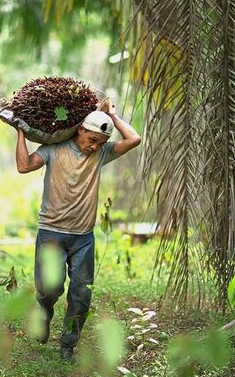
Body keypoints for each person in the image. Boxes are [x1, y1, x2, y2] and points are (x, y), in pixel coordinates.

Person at [15, 101, 141, 362]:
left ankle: (67, 346)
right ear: (80, 130)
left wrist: (114, 117)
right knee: (50, 288)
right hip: (51, 233)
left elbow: (134, 139)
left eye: (100, 141)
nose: (94, 145)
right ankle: (43, 312)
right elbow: (24, 166)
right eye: (92, 139)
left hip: (83, 237)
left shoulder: (101, 153)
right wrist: (19, 132)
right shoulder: (53, 148)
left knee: (81, 294)